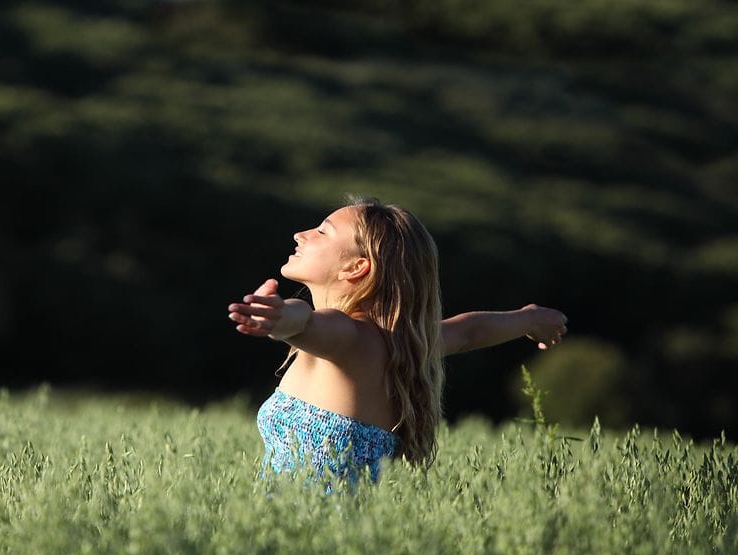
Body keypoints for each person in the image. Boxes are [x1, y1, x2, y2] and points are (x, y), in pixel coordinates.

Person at [227, 197, 567, 488]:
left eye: (321, 232)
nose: (300, 235)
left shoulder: (349, 337)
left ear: (357, 267)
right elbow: (469, 331)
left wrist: (277, 317)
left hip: (307, 533)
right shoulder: (402, 343)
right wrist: (530, 319)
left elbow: (304, 319)